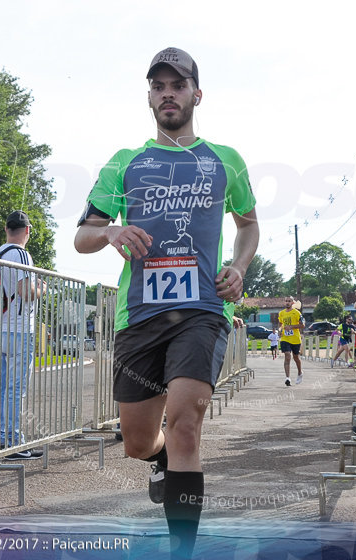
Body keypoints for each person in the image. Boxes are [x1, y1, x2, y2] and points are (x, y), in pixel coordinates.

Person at [74, 47, 259, 558]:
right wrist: (110, 231)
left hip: (203, 310)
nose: (168, 93)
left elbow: (249, 226)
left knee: (184, 422)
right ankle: (157, 460)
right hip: (140, 316)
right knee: (138, 440)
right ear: (149, 98)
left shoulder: (225, 160)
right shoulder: (125, 163)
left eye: (177, 85)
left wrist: (239, 269)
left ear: (197, 94)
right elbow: (81, 238)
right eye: (158, 86)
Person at [0, 210, 45, 460]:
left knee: (0, 387)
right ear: (27, 231)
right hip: (20, 329)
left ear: (6, 229)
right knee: (15, 389)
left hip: (0, 327)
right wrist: (42, 288)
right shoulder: (21, 254)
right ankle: (13, 443)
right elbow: (25, 291)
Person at [277, 296, 305, 386]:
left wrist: (291, 327)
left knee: (296, 357)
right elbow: (280, 323)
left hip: (295, 339)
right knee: (287, 355)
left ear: (292, 303)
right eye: (286, 301)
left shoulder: (297, 313)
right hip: (285, 338)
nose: (287, 303)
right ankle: (287, 378)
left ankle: (300, 372)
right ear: (284, 302)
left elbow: (303, 325)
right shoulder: (281, 313)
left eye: (289, 301)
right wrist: (279, 330)